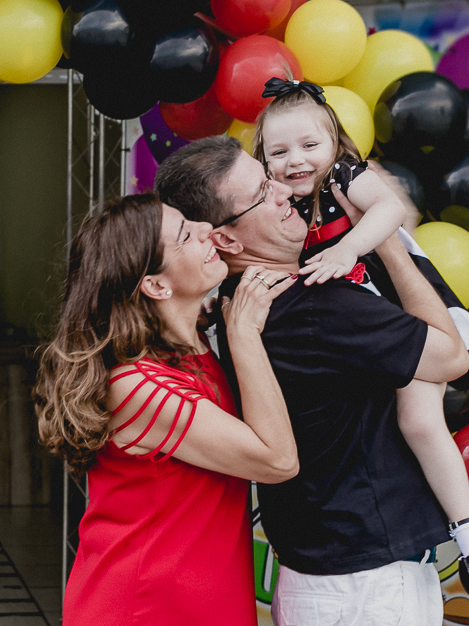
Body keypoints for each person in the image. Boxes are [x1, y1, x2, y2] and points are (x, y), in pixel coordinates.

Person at [156, 135, 469, 626]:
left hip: (322, 571)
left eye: (270, 178)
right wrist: (386, 243)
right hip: (368, 582)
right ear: (226, 240)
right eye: (263, 193)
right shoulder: (316, 306)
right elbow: (451, 357)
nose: (284, 190)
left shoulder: (238, 303)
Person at [252, 78, 469, 578]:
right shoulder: (277, 200)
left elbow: (388, 207)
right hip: (350, 321)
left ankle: (468, 525)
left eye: (310, 145)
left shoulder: (345, 174)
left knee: (419, 419)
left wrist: (348, 248)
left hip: (395, 304)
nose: (296, 160)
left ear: (336, 144)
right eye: (278, 151)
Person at [34, 193, 298, 626]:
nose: (205, 230)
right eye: (185, 235)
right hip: (146, 606)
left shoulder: (192, 350)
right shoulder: (136, 386)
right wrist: (245, 333)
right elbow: (278, 460)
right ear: (156, 285)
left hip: (201, 599)